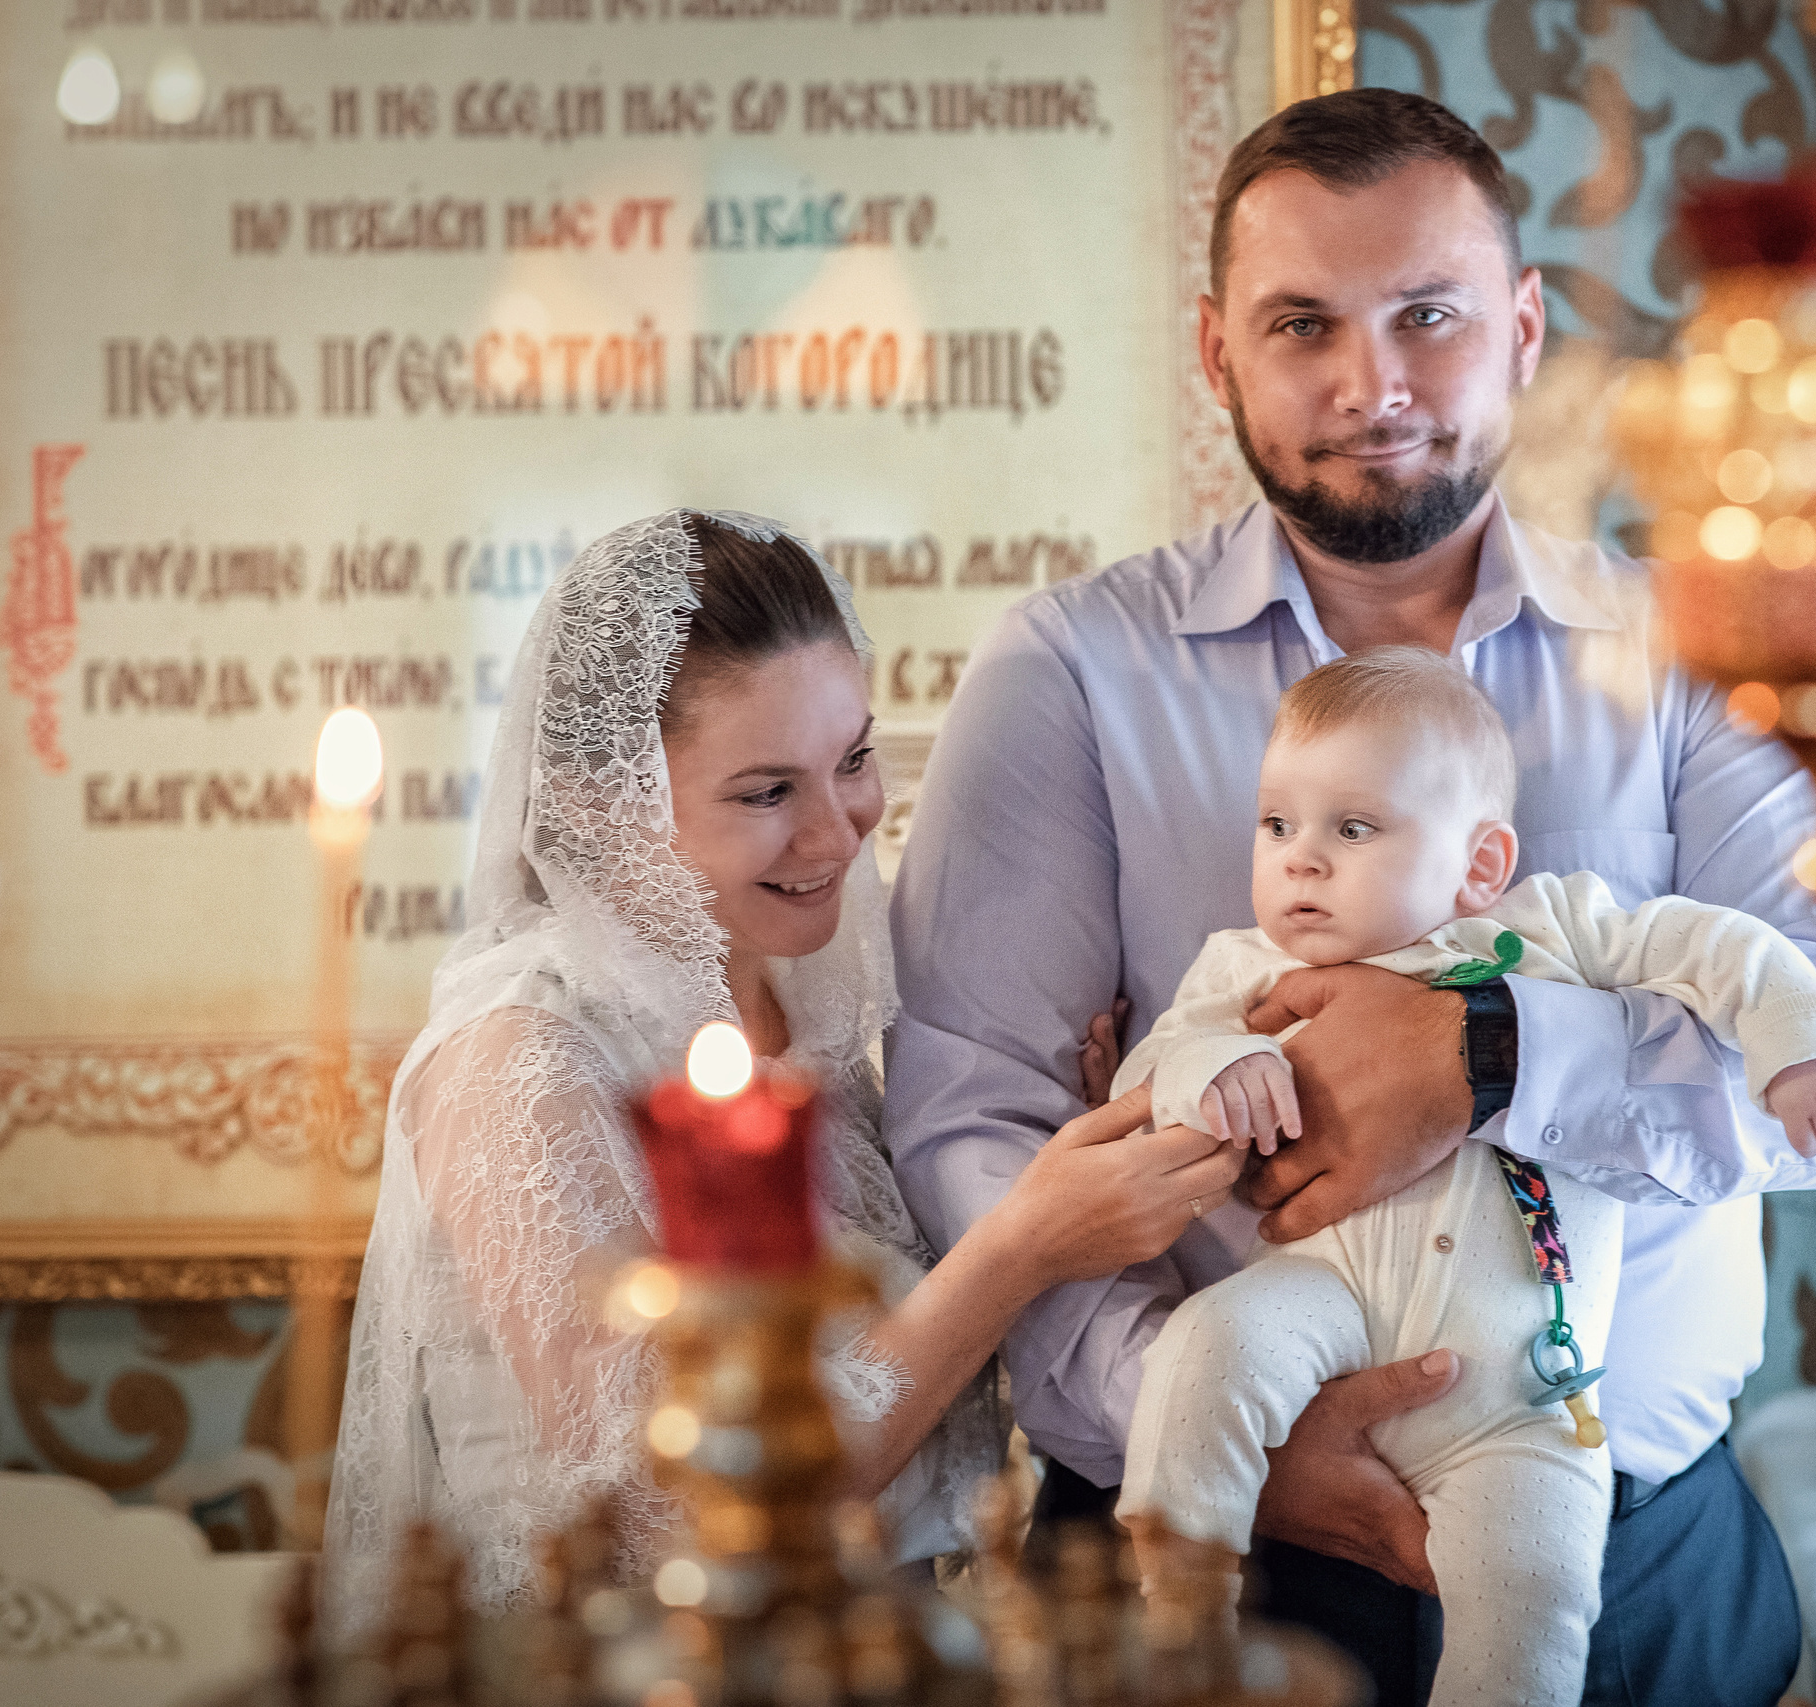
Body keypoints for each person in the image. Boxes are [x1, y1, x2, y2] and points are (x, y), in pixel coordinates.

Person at [886, 89, 1816, 1707]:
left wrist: (1493, 1058)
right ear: (1217, 353)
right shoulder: (1068, 677)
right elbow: (973, 1122)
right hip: (1186, 1549)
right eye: (1304, 322)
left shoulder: (1705, 658)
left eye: (1427, 316)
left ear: (1517, 327)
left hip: (1626, 1544)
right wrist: (1203, 1418)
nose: (1373, 385)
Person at [323, 509, 1239, 1639]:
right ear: (597, 804)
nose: (837, 833)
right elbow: (672, 1509)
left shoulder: (808, 1020)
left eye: (852, 760)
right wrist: (1020, 1246)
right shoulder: (515, 1056)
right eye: (766, 793)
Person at [1109, 647, 1816, 1704]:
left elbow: (1718, 946)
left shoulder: (1543, 931)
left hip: (1520, 1386)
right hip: (1317, 1309)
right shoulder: (1245, 969)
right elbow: (1150, 1074)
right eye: (1277, 825)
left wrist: (1801, 1042)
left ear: (1478, 864)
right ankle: (1181, 1622)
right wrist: (1214, 1068)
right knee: (1202, 1347)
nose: (1300, 861)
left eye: (1353, 827)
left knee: (1534, 1594)